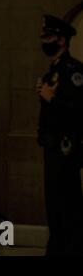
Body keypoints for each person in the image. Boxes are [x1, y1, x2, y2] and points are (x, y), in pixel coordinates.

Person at [37, 15, 83, 256]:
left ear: (62, 40)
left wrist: (51, 98)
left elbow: (77, 109)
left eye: (49, 37)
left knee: (68, 203)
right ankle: (57, 247)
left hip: (67, 148)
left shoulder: (73, 70)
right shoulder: (53, 70)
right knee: (54, 204)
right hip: (52, 146)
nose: (44, 41)